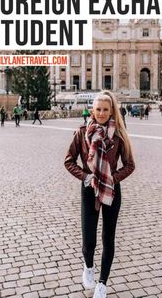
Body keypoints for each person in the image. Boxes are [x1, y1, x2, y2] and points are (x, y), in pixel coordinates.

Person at [64, 91, 135, 298]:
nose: (102, 113)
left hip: (111, 190)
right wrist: (86, 177)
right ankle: (88, 266)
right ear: (92, 111)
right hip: (89, 189)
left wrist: (114, 177)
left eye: (106, 109)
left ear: (111, 110)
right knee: (88, 242)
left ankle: (102, 283)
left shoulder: (119, 135)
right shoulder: (81, 133)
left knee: (108, 239)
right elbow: (69, 161)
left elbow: (130, 165)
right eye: (98, 109)